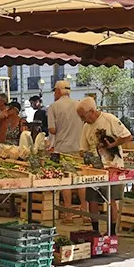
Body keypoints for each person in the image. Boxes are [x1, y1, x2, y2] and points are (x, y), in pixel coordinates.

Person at [77, 95, 132, 234]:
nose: (83, 119)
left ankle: (112, 232)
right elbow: (83, 148)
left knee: (111, 199)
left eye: (83, 116)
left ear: (92, 111)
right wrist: (85, 155)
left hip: (112, 168)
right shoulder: (85, 127)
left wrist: (113, 144)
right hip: (94, 169)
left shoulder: (110, 119)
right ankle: (95, 230)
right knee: (92, 200)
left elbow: (128, 136)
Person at [48, 80, 84, 216]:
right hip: (78, 147)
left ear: (58, 91)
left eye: (54, 91)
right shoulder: (79, 105)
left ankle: (68, 213)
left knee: (66, 180)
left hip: (63, 148)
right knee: (80, 180)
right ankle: (84, 211)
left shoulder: (53, 107)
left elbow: (52, 130)